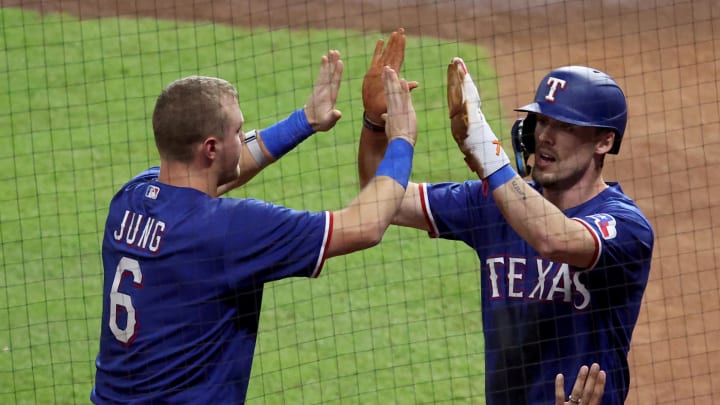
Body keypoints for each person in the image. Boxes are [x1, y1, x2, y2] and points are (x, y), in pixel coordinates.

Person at [91, 50, 419, 404]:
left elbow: (220, 173)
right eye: (238, 130)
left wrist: (305, 120)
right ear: (211, 148)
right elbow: (365, 225)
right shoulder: (229, 230)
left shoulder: (130, 199)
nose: (243, 136)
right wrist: (401, 141)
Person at [358, 29, 654, 404]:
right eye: (543, 121)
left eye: (565, 127)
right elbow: (382, 198)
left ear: (604, 141)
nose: (546, 136)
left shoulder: (624, 226)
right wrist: (374, 123)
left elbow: (556, 238)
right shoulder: (493, 203)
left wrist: (484, 147)